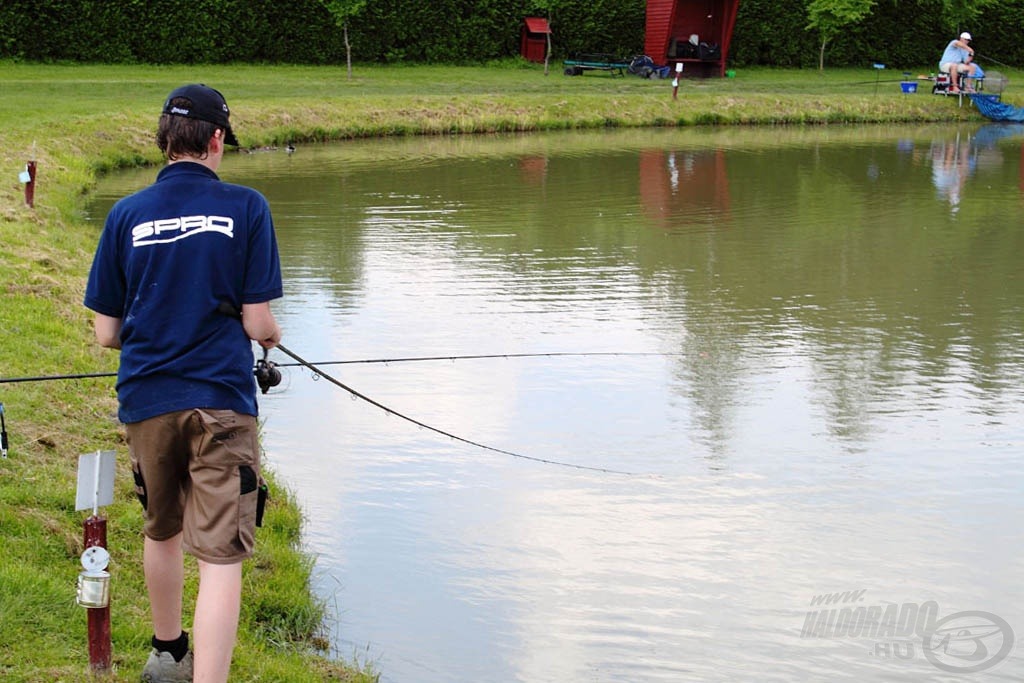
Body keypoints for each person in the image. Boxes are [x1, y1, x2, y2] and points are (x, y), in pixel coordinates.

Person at [83, 84, 283, 683]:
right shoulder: (247, 208)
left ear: (164, 141)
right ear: (216, 140)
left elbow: (105, 333)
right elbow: (257, 321)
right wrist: (270, 337)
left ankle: (167, 653)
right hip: (221, 401)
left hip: (146, 399)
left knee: (161, 527)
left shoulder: (124, 214)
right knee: (221, 555)